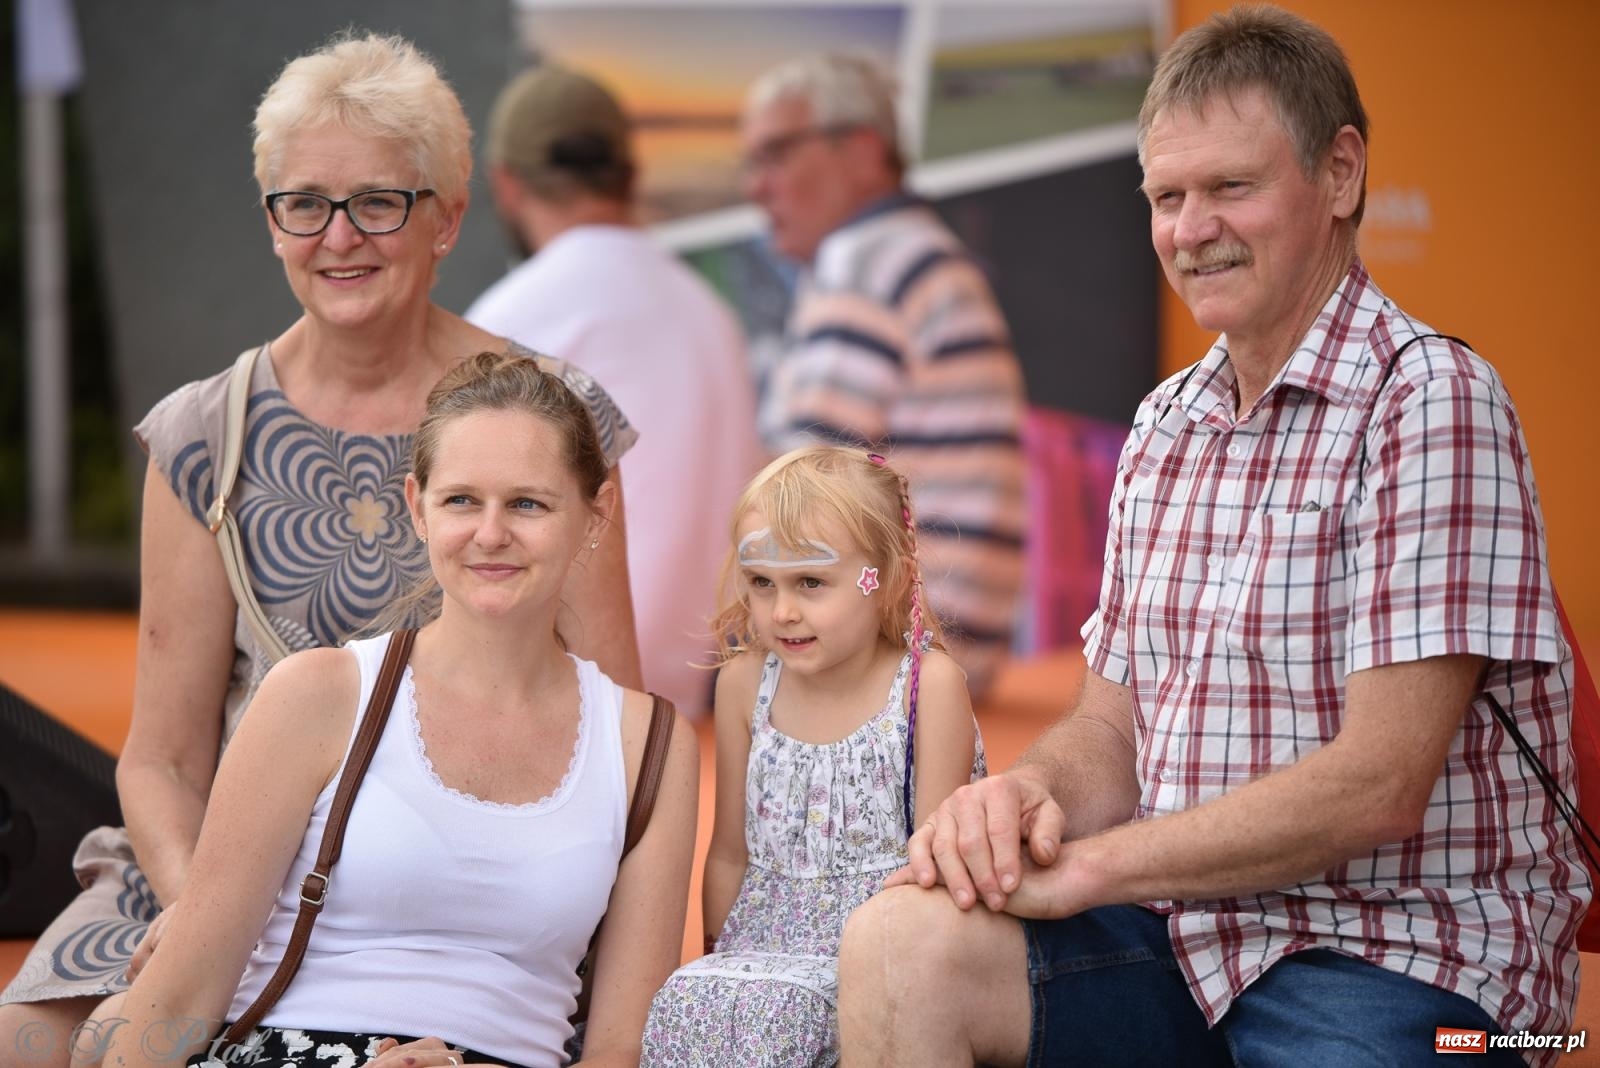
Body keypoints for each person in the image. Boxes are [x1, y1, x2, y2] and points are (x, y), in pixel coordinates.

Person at [836, 7, 1585, 1067]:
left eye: (1230, 187)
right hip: (1190, 941)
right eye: (1166, 197)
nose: (1191, 228)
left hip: (1403, 961)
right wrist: (1026, 795)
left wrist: (1098, 868)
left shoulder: (1431, 399)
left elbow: (1379, 781)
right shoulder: (1164, 421)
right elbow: (1109, 731)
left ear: (1339, 174)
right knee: (897, 941)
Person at [0, 33, 645, 1066]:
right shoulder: (202, 433)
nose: (338, 236)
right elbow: (163, 759)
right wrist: (204, 905)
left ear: (448, 219)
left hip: (457, 878)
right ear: (272, 224)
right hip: (212, 858)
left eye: (378, 202)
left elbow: (620, 734)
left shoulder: (550, 417)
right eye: (304, 203)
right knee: (29, 1039)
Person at [96, 352, 698, 1068]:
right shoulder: (317, 695)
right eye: (461, 501)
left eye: (528, 503)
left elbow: (621, 1048)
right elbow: (182, 998)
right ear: (416, 507)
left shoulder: (650, 742)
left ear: (594, 516)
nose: (491, 533)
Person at [641, 446, 986, 1067]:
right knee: (683, 1005)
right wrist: (721, 965)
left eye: (811, 582)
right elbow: (729, 852)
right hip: (761, 942)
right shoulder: (746, 683)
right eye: (761, 584)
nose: (783, 612)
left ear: (887, 576)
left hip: (882, 943)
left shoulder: (926, 688)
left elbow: (936, 864)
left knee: (789, 1019)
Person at [466, 65, 761, 716]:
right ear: (630, 176)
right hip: (699, 704)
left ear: (507, 186)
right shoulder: (712, 313)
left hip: (563, 714)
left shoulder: (509, 318)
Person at [739, 54, 1027, 699]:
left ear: (863, 150)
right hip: (939, 645)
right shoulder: (917, 254)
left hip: (901, 653)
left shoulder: (867, 260)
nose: (757, 186)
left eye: (776, 154)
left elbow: (795, 490)